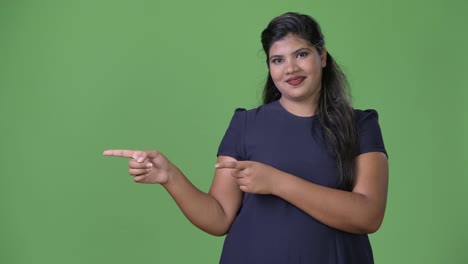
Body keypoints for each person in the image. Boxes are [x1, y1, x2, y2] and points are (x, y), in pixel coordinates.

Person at [103, 12, 388, 264]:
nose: (290, 68)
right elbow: (219, 217)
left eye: (301, 54)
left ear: (322, 56)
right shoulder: (245, 124)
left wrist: (276, 182)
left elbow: (368, 214)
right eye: (278, 60)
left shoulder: (360, 124)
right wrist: (170, 177)